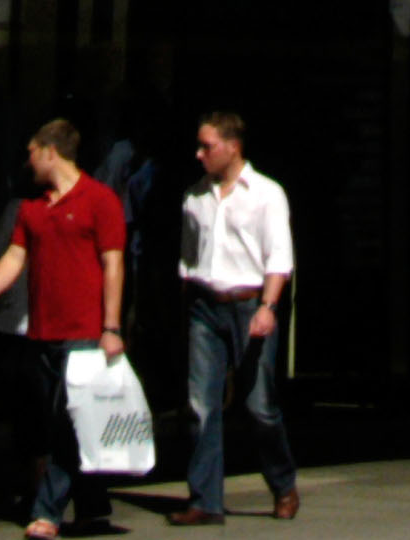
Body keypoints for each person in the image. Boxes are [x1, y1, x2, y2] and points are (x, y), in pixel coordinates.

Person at [0, 120, 131, 540]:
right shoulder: (32, 208)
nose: (27, 160)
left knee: (65, 423)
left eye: (31, 151)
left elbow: (114, 264)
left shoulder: (100, 200)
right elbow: (14, 257)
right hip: (39, 333)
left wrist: (111, 326)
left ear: (50, 152)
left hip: (84, 333)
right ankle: (94, 504)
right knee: (66, 421)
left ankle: (47, 511)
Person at [164, 110, 296, 527]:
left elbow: (279, 257)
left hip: (249, 304)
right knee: (201, 405)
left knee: (259, 407)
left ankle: (282, 482)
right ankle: (205, 500)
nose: (199, 153)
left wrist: (268, 308)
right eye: (200, 145)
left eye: (208, 146)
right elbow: (188, 257)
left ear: (233, 147)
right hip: (205, 306)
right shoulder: (195, 196)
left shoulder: (267, 194)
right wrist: (187, 299)